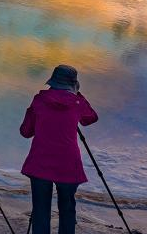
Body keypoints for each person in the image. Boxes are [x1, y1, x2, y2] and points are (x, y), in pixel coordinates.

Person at [20, 65, 99, 234]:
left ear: (52, 81)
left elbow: (25, 132)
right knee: (67, 209)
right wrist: (78, 95)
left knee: (40, 210)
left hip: (40, 163)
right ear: (74, 84)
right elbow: (91, 118)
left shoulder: (39, 100)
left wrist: (34, 113)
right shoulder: (78, 103)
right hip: (68, 166)